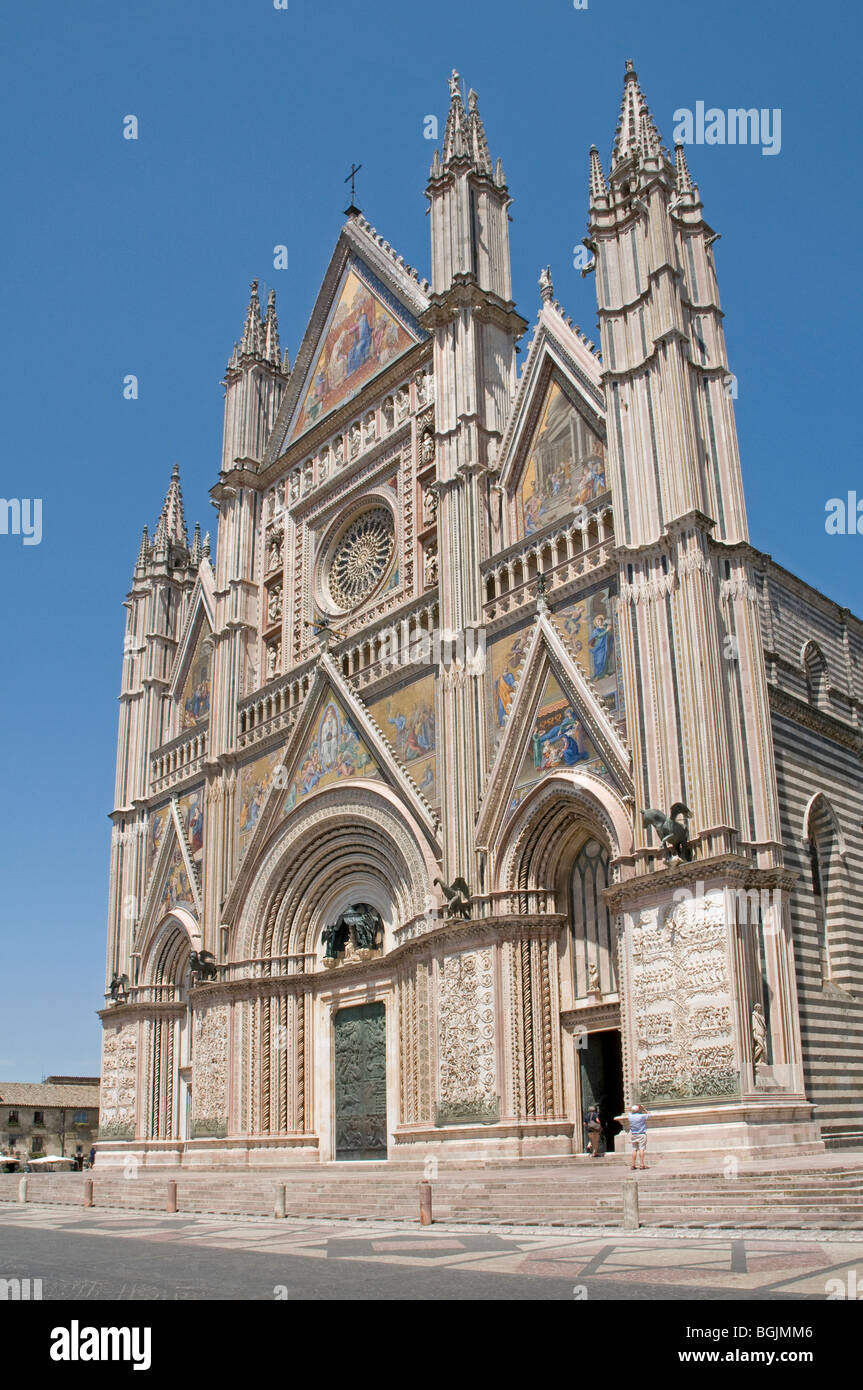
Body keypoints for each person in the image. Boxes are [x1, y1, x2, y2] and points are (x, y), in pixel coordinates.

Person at [628, 1102, 650, 1169]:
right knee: (641, 1149)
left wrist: (632, 1108)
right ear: (638, 1110)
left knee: (634, 1149)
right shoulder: (642, 1116)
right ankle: (641, 1164)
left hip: (633, 1134)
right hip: (641, 1134)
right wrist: (643, 1108)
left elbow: (629, 1111)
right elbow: (649, 1114)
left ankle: (633, 1164)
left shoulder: (630, 1116)